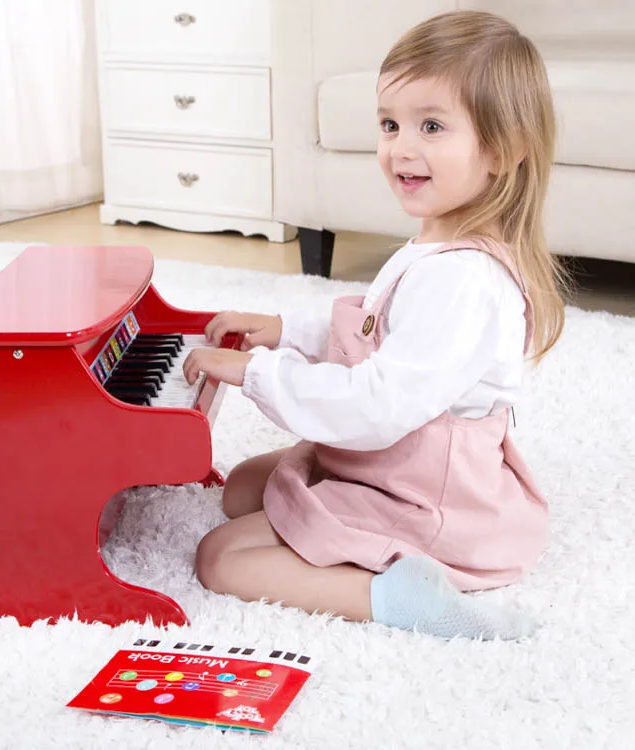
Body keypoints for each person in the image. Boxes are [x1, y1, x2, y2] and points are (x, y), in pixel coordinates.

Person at [182, 10, 569, 640]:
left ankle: (404, 601)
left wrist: (259, 372)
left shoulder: (464, 279)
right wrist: (284, 330)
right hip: (399, 458)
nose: (400, 147)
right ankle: (351, 529)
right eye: (390, 124)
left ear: (502, 151)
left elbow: (376, 406)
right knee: (247, 485)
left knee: (222, 557)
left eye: (432, 126)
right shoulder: (437, 244)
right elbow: (374, 323)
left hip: (429, 493)